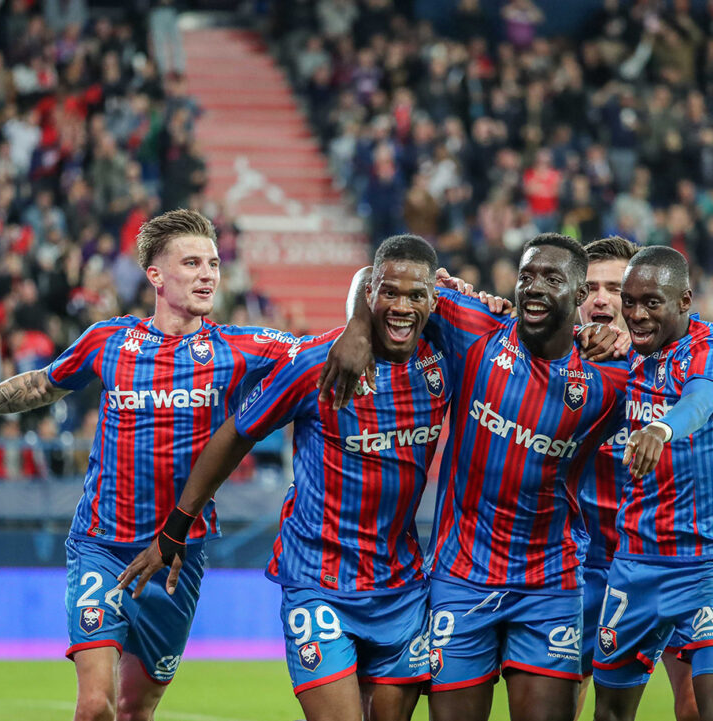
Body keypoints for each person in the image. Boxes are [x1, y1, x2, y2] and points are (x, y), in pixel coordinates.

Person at [0, 209, 368, 721]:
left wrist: (372, 310)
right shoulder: (109, 341)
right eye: (191, 263)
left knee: (133, 710)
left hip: (177, 557)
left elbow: (327, 349)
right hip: (102, 545)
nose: (207, 274)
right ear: (156, 275)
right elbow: (39, 385)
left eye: (213, 263)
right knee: (94, 705)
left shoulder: (237, 348)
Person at [117, 234, 503, 721]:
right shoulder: (315, 363)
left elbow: (521, 339)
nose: (401, 307)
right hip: (318, 579)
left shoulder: (446, 356)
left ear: (434, 299)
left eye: (415, 296)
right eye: (388, 294)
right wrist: (176, 527)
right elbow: (236, 433)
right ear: (370, 295)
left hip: (401, 586)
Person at [573, 237, 713, 721]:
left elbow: (704, 397)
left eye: (649, 302)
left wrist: (662, 427)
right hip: (631, 559)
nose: (634, 312)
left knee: (709, 707)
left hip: (707, 560)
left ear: (684, 301)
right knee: (605, 707)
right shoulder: (616, 358)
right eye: (628, 301)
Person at [425, 233, 628, 721]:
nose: (534, 288)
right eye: (526, 277)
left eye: (552, 279)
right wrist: (353, 330)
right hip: (461, 575)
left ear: (580, 298)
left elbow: (701, 406)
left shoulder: (611, 380)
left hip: (549, 584)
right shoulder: (475, 327)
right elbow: (382, 278)